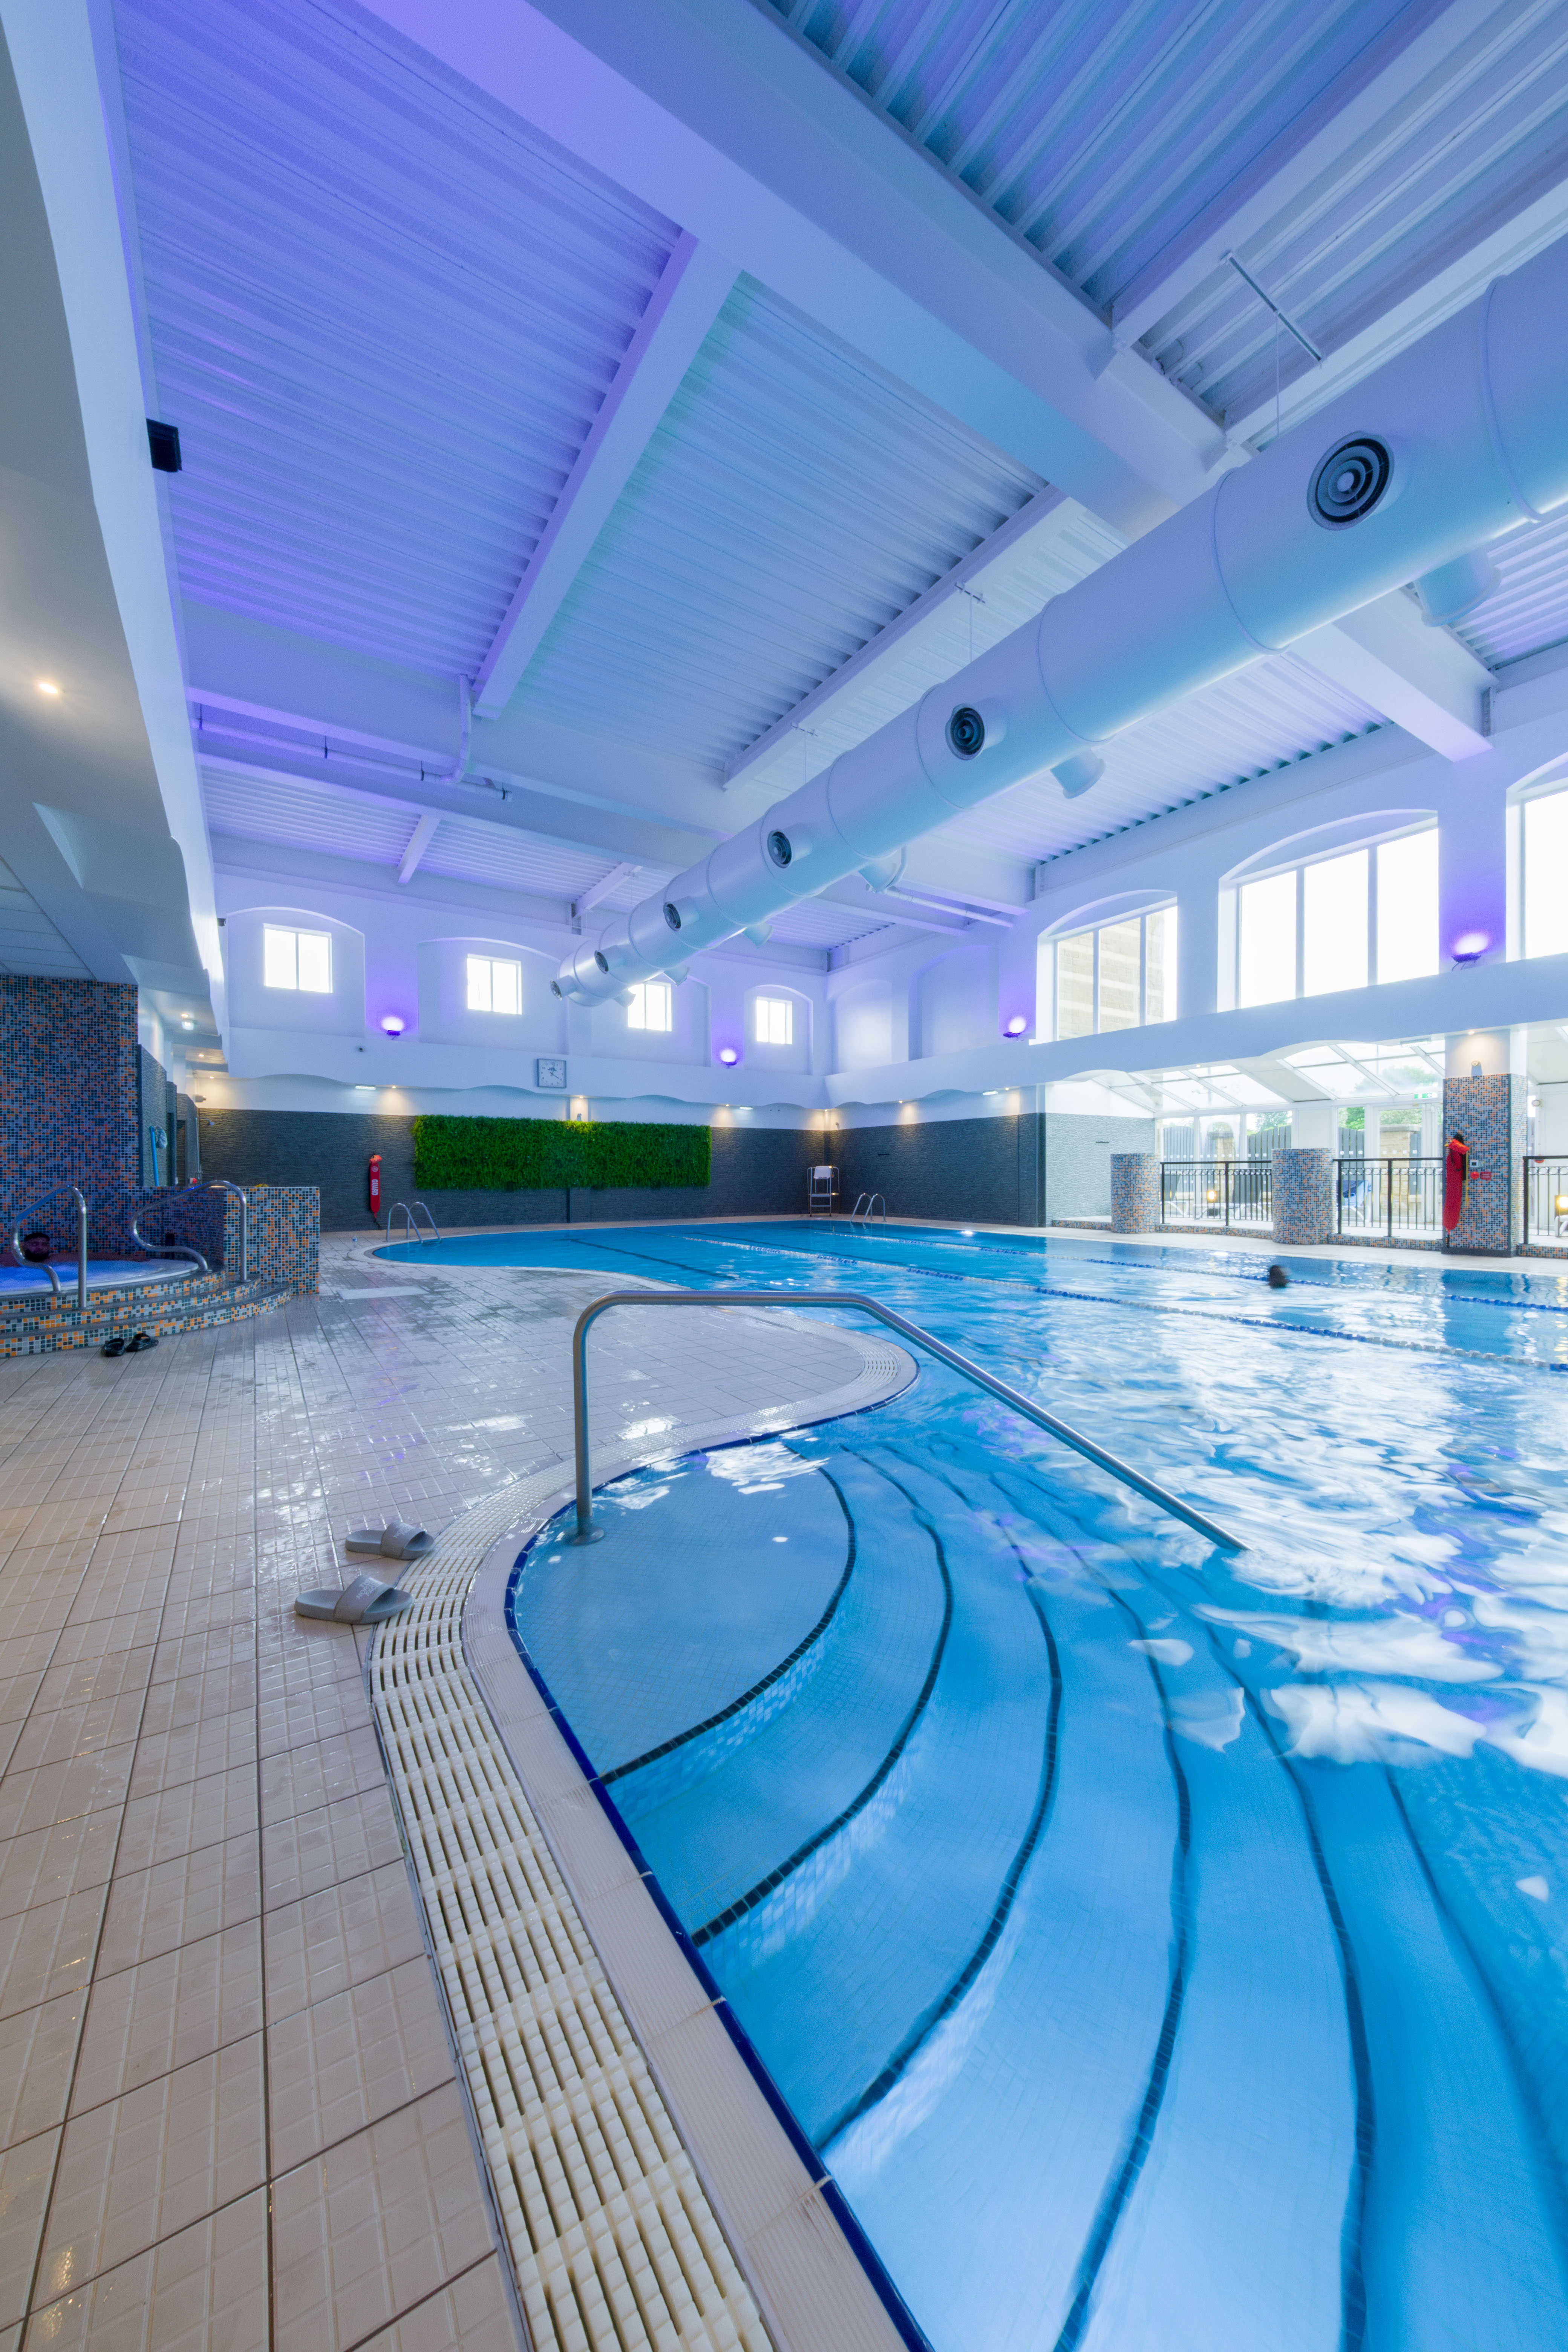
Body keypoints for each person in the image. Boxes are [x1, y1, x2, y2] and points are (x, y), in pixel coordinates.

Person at [1442, 1128, 1470, 1235]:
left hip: (1452, 1184)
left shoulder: (1451, 1154)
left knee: (1451, 1202)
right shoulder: (1457, 1155)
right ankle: (1450, 1225)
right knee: (1454, 1202)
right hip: (1456, 1185)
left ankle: (1449, 1225)